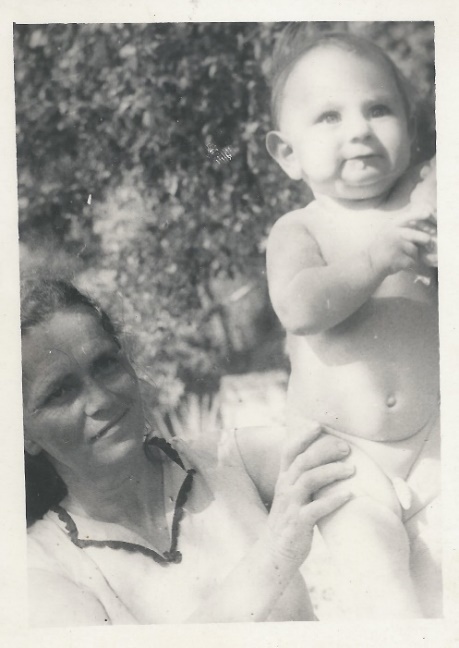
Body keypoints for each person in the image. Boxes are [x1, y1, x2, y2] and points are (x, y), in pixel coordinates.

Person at [22, 277, 360, 626]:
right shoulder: (40, 572)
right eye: (59, 392)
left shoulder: (228, 458)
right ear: (24, 434)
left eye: (105, 364)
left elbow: (350, 455)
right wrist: (277, 551)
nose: (100, 399)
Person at [265, 27, 440, 617]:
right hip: (344, 455)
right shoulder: (301, 228)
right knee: (384, 590)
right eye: (329, 117)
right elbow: (299, 307)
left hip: (436, 440)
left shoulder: (425, 208)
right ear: (287, 154)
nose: (360, 130)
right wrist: (376, 259)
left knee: (443, 591)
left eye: (379, 109)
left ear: (411, 129)